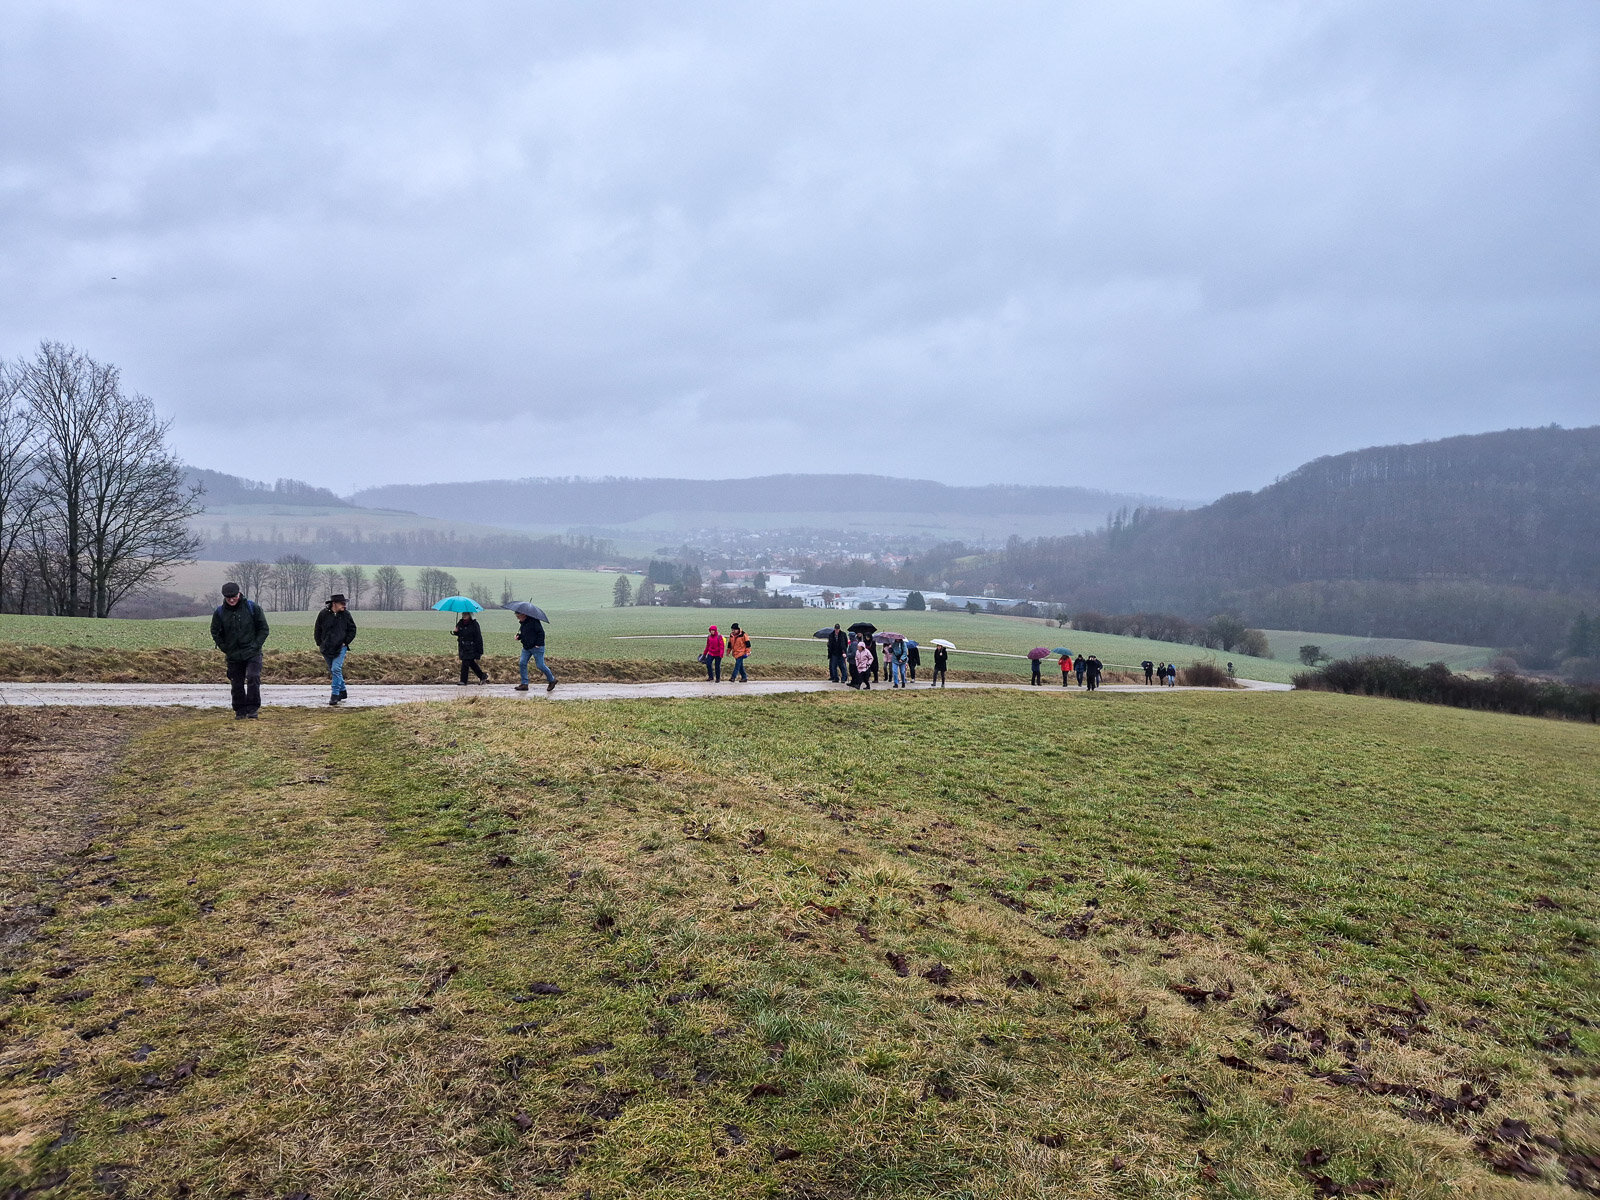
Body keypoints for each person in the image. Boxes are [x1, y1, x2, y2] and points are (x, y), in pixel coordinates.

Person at [210, 581, 269, 720]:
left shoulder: (252, 607)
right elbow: (215, 632)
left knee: (253, 677)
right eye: (228, 597)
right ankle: (240, 710)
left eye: (234, 597)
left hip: (253, 652)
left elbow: (264, 629)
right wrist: (225, 647)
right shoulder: (219, 612)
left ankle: (253, 709)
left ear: (239, 594)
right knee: (236, 682)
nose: (231, 600)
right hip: (233, 654)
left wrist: (256, 645)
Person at [314, 593, 357, 706]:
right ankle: (343, 691)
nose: (344, 605)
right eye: (342, 603)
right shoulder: (323, 614)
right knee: (333, 670)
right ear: (334, 604)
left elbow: (352, 630)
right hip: (326, 648)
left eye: (345, 603)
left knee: (336, 669)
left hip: (340, 647)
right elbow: (317, 629)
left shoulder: (346, 615)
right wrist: (320, 643)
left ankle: (335, 695)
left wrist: (345, 642)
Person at [515, 611, 557, 692]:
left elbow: (541, 633)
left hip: (537, 648)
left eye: (518, 616)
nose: (517, 618)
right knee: (522, 663)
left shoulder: (534, 622)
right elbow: (525, 634)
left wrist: (538, 644)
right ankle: (524, 684)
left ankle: (552, 680)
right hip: (526, 648)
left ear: (524, 614)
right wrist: (519, 637)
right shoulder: (523, 623)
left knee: (540, 665)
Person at [454, 612, 487, 684]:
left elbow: (478, 637)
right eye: (463, 614)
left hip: (471, 647)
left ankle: (463, 681)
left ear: (470, 615)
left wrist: (480, 650)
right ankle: (482, 676)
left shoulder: (474, 624)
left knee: (465, 662)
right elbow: (460, 634)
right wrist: (456, 632)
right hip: (463, 647)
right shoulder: (460, 623)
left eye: (466, 614)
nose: (464, 615)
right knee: (471, 663)